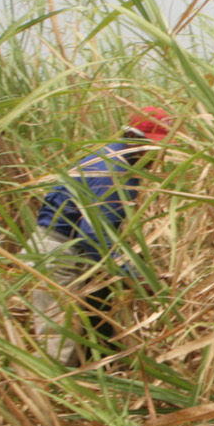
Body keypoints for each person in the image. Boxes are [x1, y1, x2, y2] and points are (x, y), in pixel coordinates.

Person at [30, 107, 170, 368]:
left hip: (76, 248)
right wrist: (133, 275)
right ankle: (45, 395)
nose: (158, 154)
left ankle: (91, 380)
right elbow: (93, 233)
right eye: (153, 147)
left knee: (91, 316)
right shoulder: (112, 171)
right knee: (59, 335)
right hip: (60, 250)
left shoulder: (120, 160)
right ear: (134, 138)